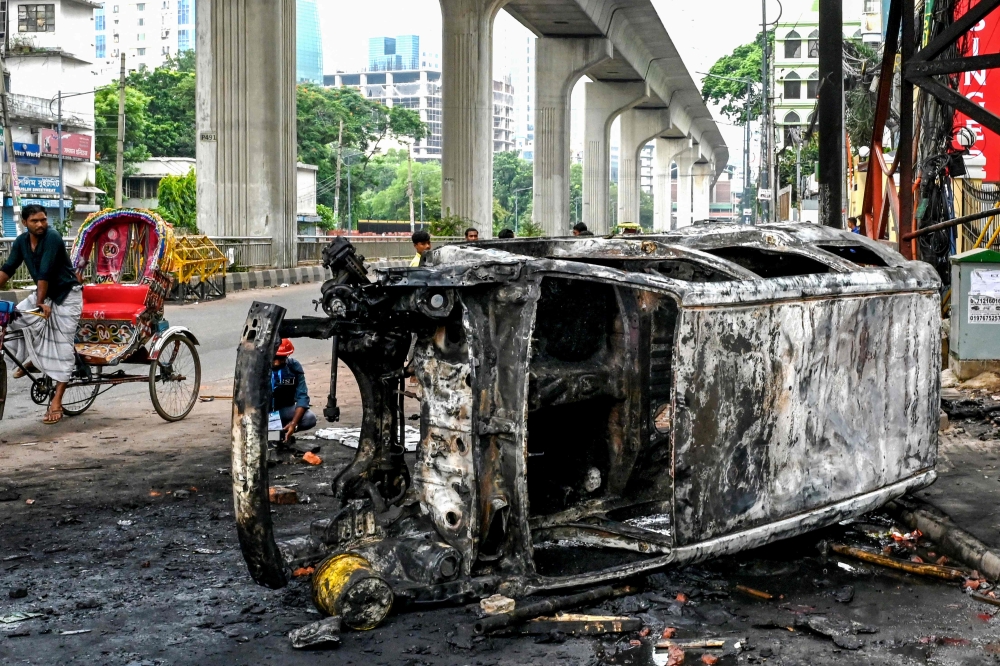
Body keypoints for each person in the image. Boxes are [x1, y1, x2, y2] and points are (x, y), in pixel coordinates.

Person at [0, 204, 83, 424]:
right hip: (43, 295)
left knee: (63, 346)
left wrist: (39, 303)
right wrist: (39, 303)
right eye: (35, 221)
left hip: (67, 295)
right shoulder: (21, 242)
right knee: (14, 319)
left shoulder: (52, 237)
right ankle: (35, 359)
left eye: (43, 220)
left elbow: (44, 273)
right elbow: (8, 269)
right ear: (24, 222)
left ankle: (57, 400)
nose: (40, 224)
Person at [271, 338, 317, 444]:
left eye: (281, 358)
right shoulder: (259, 367)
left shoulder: (294, 367)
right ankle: (273, 436)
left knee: (310, 418)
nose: (277, 362)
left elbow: (302, 397)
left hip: (284, 409)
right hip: (263, 411)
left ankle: (281, 434)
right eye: (275, 357)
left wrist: (294, 423)